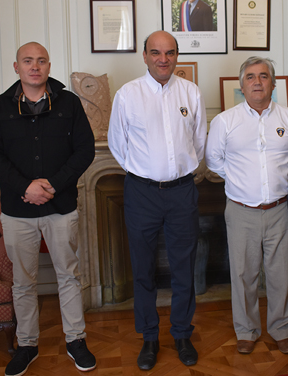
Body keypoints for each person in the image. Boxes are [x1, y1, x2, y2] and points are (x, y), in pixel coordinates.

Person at [0, 42, 96, 376]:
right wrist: (26, 187)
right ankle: (27, 344)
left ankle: (76, 340)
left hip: (60, 207)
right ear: (16, 67)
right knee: (23, 281)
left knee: (69, 277)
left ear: (49, 65)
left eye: (41, 60)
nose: (35, 66)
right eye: (27, 61)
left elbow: (84, 151)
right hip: (17, 211)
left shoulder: (69, 103)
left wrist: (52, 185)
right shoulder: (0, 107)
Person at [107, 30, 207, 370]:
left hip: (182, 192)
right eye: (155, 52)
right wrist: (146, 171)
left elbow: (199, 141)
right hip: (142, 193)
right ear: (145, 55)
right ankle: (149, 338)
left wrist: (176, 171)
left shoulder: (190, 92)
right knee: (143, 270)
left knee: (183, 268)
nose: (163, 59)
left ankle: (181, 334)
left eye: (169, 52)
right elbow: (118, 146)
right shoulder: (128, 95)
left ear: (177, 55)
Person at [206, 57, 288, 355]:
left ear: (273, 83)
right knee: (243, 274)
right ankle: (246, 330)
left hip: (281, 210)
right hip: (241, 210)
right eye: (251, 77)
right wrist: (241, 182)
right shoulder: (225, 121)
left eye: (263, 76)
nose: (257, 81)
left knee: (281, 274)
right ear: (242, 84)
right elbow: (213, 162)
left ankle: (281, 328)